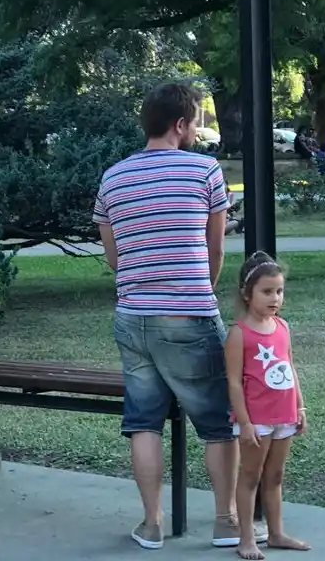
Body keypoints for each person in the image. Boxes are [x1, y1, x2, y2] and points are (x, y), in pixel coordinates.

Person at [93, 82, 264, 550]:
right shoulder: (205, 171)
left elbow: (113, 257)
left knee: (143, 421)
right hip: (188, 312)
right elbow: (215, 248)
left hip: (132, 315)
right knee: (216, 422)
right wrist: (198, 288)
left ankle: (151, 524)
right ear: (180, 124)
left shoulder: (113, 177)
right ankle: (226, 521)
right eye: (194, 122)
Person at [225, 252, 309, 560]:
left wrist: (300, 407)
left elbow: (290, 367)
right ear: (248, 294)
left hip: (284, 415)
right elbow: (234, 383)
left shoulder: (282, 327)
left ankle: (276, 534)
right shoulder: (239, 334)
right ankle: (247, 539)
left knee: (275, 476)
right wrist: (245, 423)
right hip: (256, 420)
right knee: (250, 476)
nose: (275, 298)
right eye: (267, 291)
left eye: (279, 291)